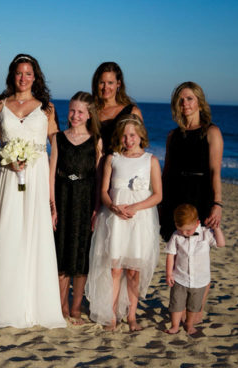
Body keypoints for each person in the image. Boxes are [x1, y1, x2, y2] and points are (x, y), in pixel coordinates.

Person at [0, 53, 66, 329]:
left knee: (35, 235)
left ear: (36, 76)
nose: (23, 78)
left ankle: (36, 307)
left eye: (28, 73)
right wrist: (7, 158)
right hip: (8, 177)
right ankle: (5, 308)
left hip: (37, 176)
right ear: (12, 75)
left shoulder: (47, 109)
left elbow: (57, 145)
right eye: (19, 73)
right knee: (8, 235)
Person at [86, 114, 161, 331]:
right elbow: (103, 191)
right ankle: (110, 316)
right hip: (115, 220)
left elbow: (158, 195)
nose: (129, 140)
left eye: (133, 135)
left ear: (140, 136)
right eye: (125, 136)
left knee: (133, 271)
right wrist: (113, 207)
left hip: (139, 221)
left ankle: (131, 316)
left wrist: (135, 208)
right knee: (115, 269)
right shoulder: (113, 159)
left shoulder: (151, 160)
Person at [159, 81, 224, 323]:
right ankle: (179, 309)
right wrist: (160, 203)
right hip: (174, 197)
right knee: (178, 256)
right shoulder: (172, 135)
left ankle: (194, 313)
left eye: (189, 99)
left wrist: (217, 203)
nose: (185, 104)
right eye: (181, 99)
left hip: (200, 196)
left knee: (199, 257)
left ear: (199, 101)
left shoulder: (212, 132)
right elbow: (166, 172)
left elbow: (216, 171)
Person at [49, 91, 102, 325]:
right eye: (72, 110)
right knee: (62, 251)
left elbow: (100, 177)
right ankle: (61, 306)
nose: (75, 115)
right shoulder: (58, 138)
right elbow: (51, 173)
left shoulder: (96, 140)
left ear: (89, 114)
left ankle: (76, 307)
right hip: (62, 195)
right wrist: (52, 205)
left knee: (81, 255)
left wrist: (97, 208)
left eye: (80, 112)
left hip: (86, 198)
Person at [165, 204, 226, 335]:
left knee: (194, 306)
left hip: (200, 280)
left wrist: (217, 229)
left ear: (197, 223)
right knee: (176, 304)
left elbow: (220, 244)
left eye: (188, 230)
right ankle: (175, 325)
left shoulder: (205, 233)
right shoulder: (176, 236)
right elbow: (171, 255)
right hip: (180, 278)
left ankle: (189, 324)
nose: (184, 233)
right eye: (180, 230)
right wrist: (169, 273)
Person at [91, 62, 143, 154]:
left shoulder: (132, 112)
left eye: (110, 83)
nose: (105, 87)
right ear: (96, 84)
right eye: (102, 82)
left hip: (120, 167)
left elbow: (140, 148)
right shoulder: (89, 110)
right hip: (92, 167)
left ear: (118, 84)